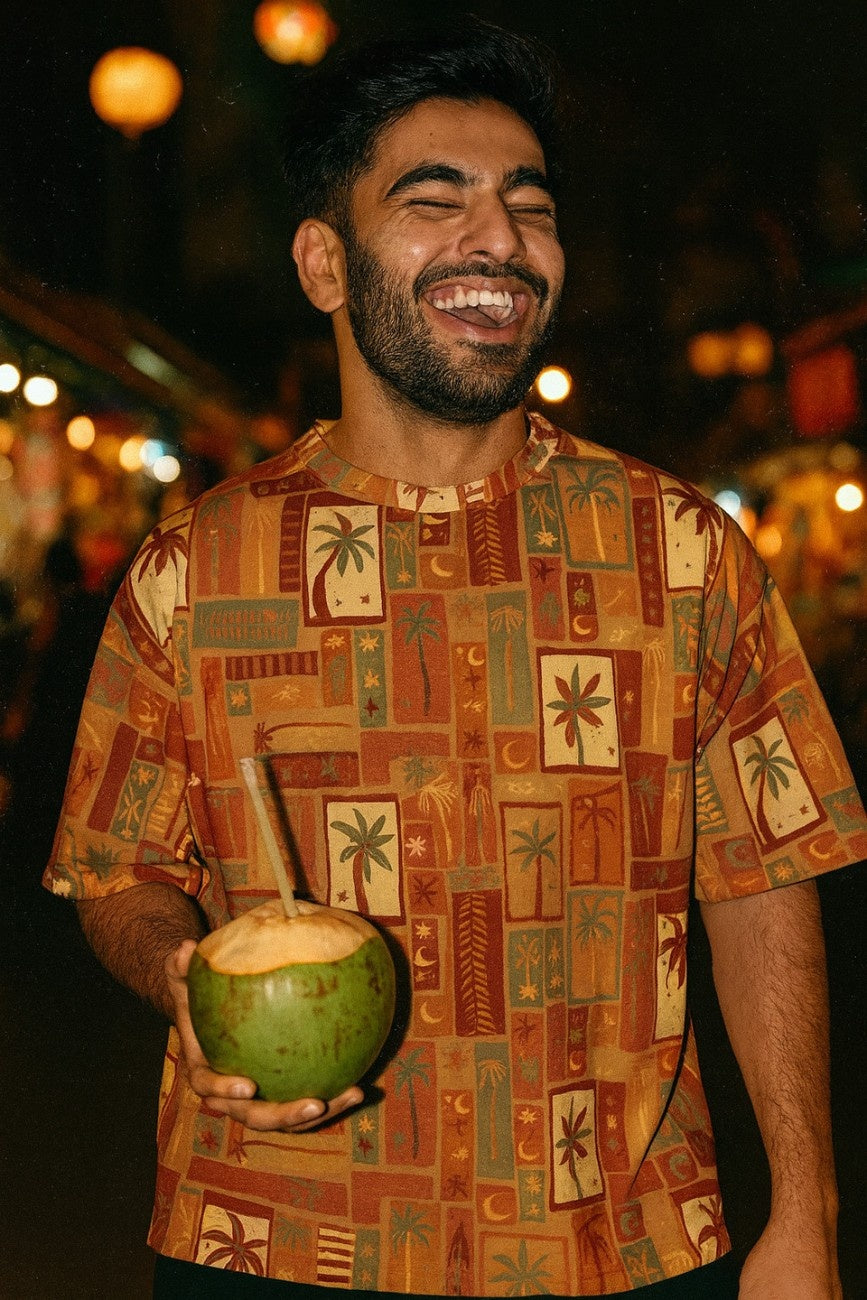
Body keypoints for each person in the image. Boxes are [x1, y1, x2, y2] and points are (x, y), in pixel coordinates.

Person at [44, 21, 866, 1299]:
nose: (499, 240)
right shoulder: (195, 568)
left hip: (622, 1240)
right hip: (276, 1239)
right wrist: (180, 972)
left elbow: (766, 875)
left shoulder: (680, 549)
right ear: (324, 262)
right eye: (437, 202)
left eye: (527, 206)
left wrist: (805, 1212)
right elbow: (116, 865)